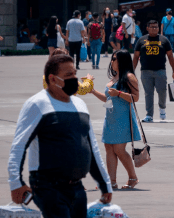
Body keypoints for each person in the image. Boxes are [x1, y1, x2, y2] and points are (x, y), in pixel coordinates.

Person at [8, 54, 112, 217]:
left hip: (77, 188)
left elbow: (93, 148)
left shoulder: (80, 105)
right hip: (47, 186)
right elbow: (19, 146)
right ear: (53, 79)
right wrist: (16, 182)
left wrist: (105, 184)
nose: (75, 79)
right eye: (68, 75)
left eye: (75, 74)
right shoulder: (38, 104)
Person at [90, 50, 141, 189]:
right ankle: (111, 181)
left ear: (122, 61)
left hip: (123, 118)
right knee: (109, 149)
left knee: (119, 149)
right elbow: (108, 98)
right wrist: (93, 91)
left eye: (114, 59)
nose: (111, 61)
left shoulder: (129, 77)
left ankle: (133, 177)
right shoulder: (114, 78)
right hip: (110, 118)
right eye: (112, 59)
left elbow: (135, 98)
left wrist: (119, 93)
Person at [133, 20, 174, 122]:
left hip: (160, 71)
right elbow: (135, 57)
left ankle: (162, 109)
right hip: (145, 72)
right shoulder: (141, 40)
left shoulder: (164, 40)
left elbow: (170, 56)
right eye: (152, 27)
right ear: (147, 28)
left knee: (162, 91)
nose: (154, 29)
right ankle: (149, 115)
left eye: (156, 27)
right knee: (148, 93)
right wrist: (131, 71)